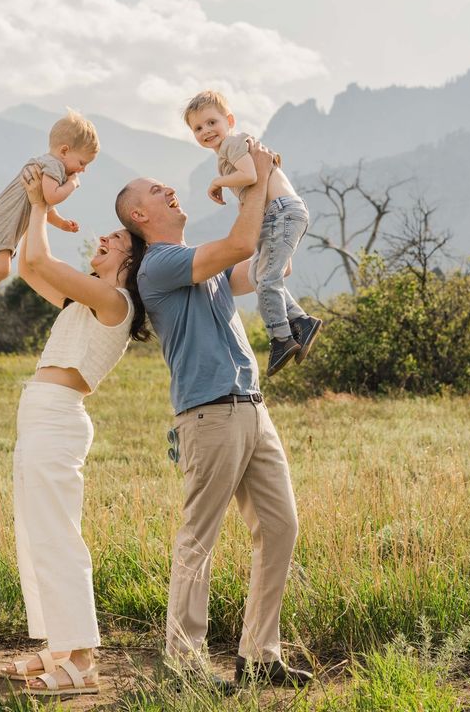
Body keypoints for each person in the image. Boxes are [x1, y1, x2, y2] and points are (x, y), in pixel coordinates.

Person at [115, 140, 314, 691]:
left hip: (251, 407)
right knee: (199, 537)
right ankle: (183, 667)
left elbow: (271, 262)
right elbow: (241, 241)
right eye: (158, 191)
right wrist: (251, 183)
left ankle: (259, 655)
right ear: (140, 216)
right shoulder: (160, 266)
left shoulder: (205, 263)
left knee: (279, 529)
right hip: (208, 415)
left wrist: (278, 189)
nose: (169, 190)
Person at [0, 165, 150, 697]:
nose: (104, 237)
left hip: (58, 417)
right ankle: (60, 646)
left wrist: (43, 204)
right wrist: (36, 204)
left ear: (130, 264)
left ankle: (82, 662)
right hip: (40, 413)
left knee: (59, 537)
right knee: (37, 533)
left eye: (117, 239)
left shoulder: (114, 303)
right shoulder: (84, 300)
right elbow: (27, 269)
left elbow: (40, 259)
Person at [182, 90, 322, 376]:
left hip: (281, 211)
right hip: (276, 214)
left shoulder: (234, 143)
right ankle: (301, 322)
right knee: (259, 275)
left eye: (211, 122)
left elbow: (251, 175)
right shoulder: (227, 152)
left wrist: (217, 182)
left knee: (267, 279)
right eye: (198, 128)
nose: (206, 131)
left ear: (228, 120)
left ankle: (281, 338)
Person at [0, 110, 98, 338]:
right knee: (2, 269)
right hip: (2, 223)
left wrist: (60, 223)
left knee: (2, 268)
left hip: (2, 223)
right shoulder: (54, 166)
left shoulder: (50, 165)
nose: (83, 169)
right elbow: (50, 197)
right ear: (64, 151)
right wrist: (73, 185)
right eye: (82, 162)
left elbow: (42, 203)